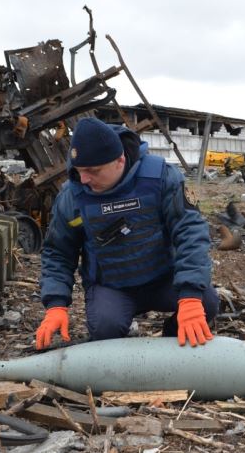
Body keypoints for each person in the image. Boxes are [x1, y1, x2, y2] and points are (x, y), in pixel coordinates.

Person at [35, 117, 218, 349]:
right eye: (79, 171)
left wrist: (191, 295)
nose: (83, 179)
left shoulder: (160, 178)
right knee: (105, 328)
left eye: (93, 171)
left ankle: (174, 338)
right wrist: (56, 304)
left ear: (119, 160)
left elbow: (190, 232)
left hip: (163, 278)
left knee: (207, 303)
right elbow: (58, 252)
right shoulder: (73, 197)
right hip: (113, 286)